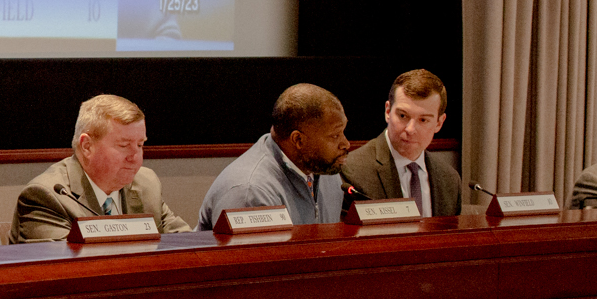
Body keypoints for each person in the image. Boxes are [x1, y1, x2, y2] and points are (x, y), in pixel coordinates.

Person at [10, 94, 192, 242]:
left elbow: (186, 244)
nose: (135, 157)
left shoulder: (146, 184)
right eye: (123, 145)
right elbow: (61, 271)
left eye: (140, 145)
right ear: (87, 146)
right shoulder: (47, 196)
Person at [196, 85, 351, 229]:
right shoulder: (250, 192)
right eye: (335, 135)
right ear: (298, 140)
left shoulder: (324, 171)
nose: (346, 144)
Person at [339, 70, 463, 217]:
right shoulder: (352, 172)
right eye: (403, 116)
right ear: (387, 111)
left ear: (439, 123)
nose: (410, 129)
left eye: (423, 120)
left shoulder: (449, 179)